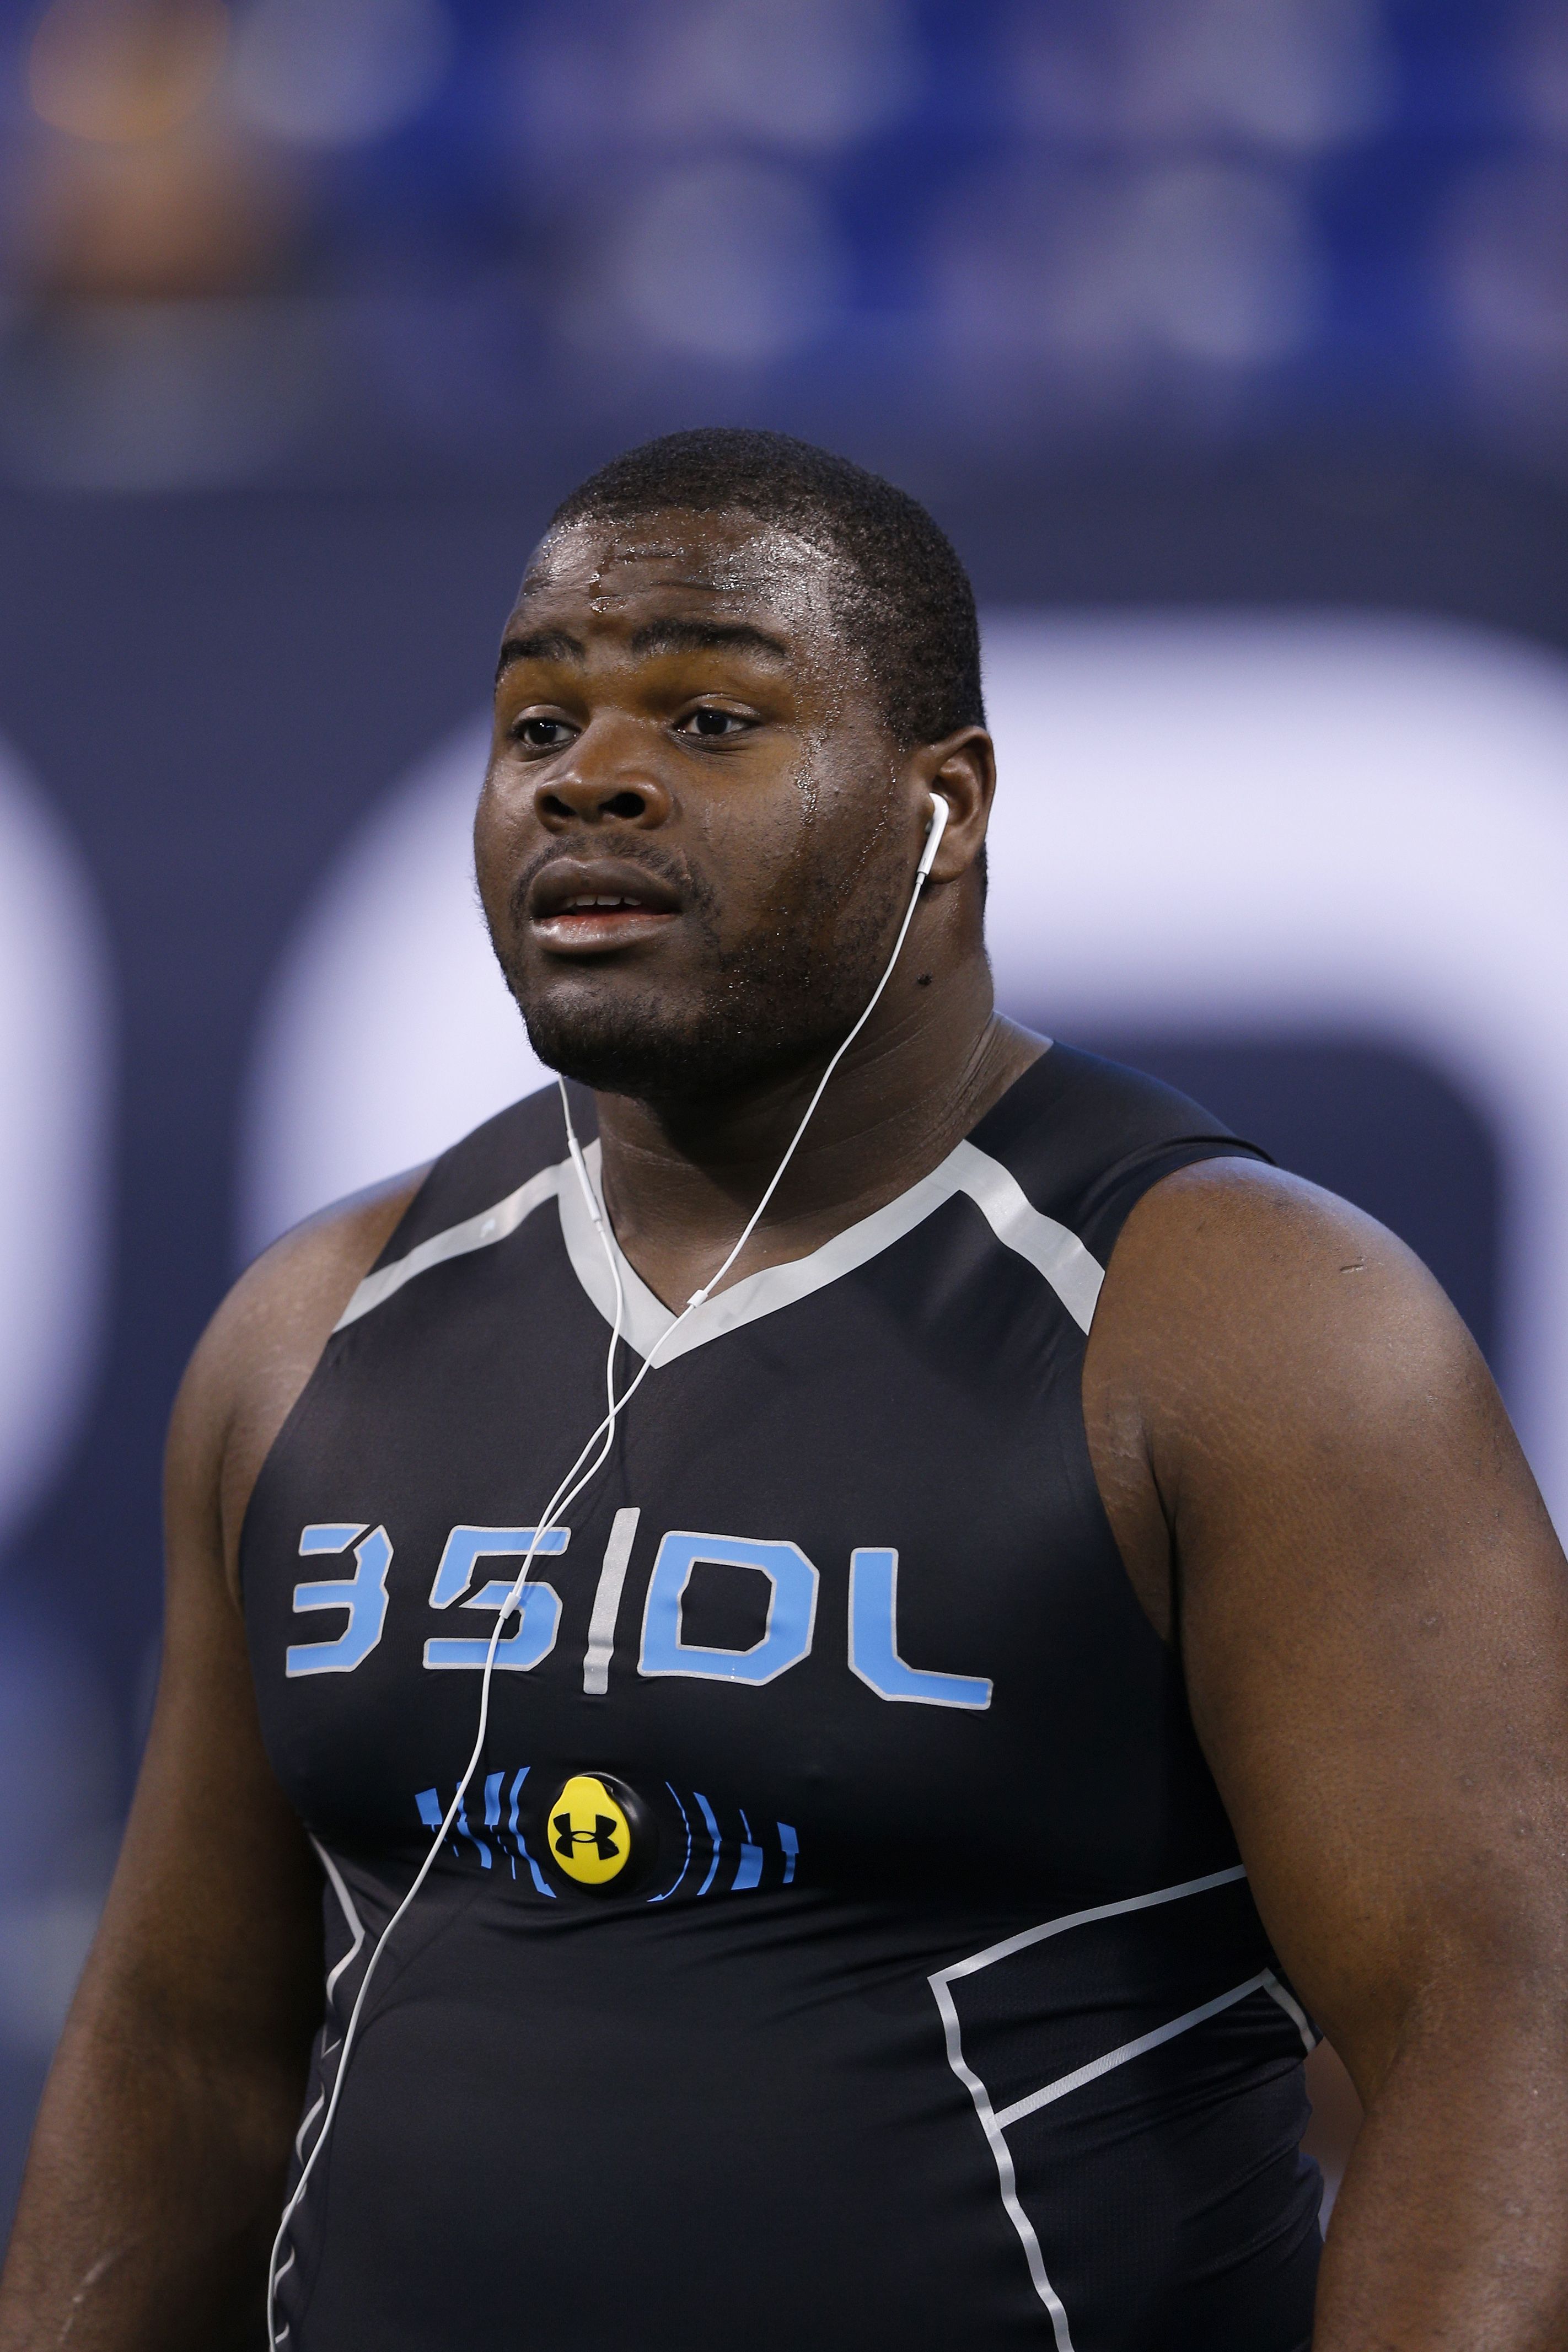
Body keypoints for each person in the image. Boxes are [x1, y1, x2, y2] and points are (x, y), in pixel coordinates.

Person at [3, 429, 1566, 2352]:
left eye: (712, 716)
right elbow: (182, 2048)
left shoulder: (1237, 1325)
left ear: (944, 811)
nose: (589, 775)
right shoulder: (310, 1328)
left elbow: (1499, 2026)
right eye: (535, 724)